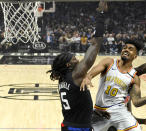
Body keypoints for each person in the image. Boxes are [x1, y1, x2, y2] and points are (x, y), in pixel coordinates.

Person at [81, 40, 146, 131]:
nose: (126, 49)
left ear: (135, 56)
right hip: (99, 113)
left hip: (118, 115)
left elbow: (136, 102)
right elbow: (92, 73)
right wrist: (87, 77)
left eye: (130, 49)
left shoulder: (134, 78)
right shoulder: (109, 63)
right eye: (125, 48)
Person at [47, 1, 108, 131]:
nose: (78, 59)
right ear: (68, 64)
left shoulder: (63, 78)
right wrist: (101, 14)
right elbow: (96, 44)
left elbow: (77, 103)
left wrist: (94, 113)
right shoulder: (76, 74)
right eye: (74, 58)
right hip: (77, 128)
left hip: (71, 124)